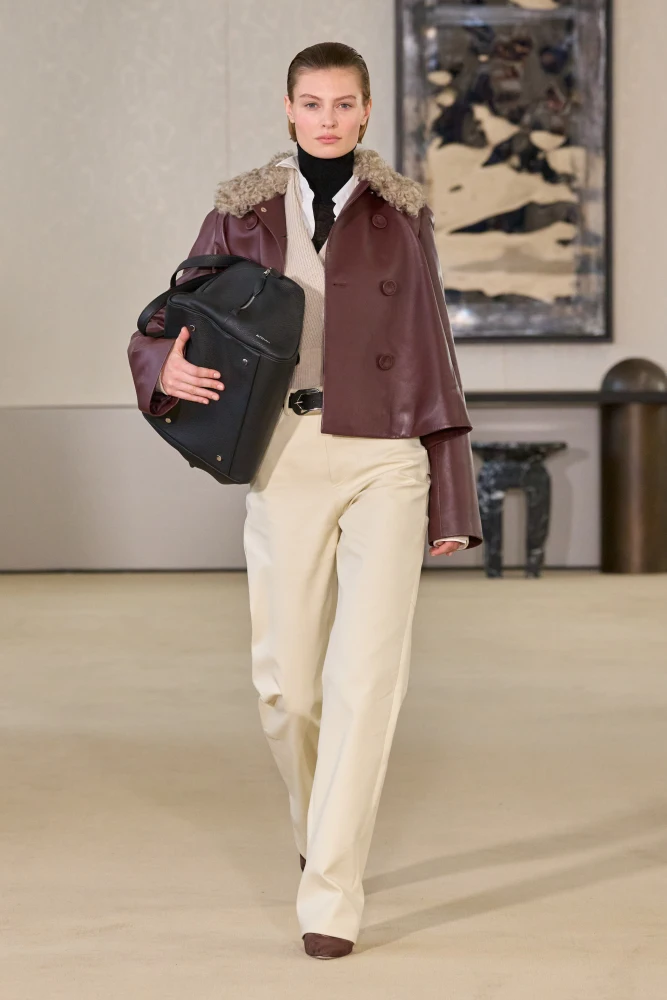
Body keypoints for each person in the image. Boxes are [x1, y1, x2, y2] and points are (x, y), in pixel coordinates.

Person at [128, 42, 482, 960]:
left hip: (385, 459)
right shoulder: (241, 210)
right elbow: (175, 312)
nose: (328, 119)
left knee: (365, 680)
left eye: (344, 103)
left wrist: (449, 494)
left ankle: (331, 891)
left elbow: (432, 348)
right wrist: (159, 363)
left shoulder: (402, 215)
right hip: (284, 454)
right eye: (312, 103)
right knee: (285, 686)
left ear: (365, 111)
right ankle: (316, 823)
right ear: (288, 109)